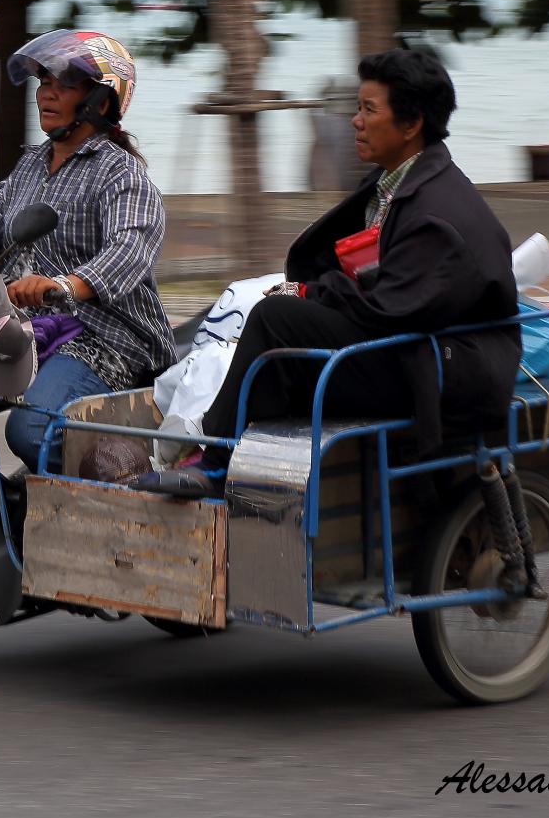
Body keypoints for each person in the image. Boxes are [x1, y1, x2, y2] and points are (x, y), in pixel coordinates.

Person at [136, 49, 519, 497]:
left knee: (276, 318)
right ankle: (238, 452)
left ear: (412, 124)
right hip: (409, 346)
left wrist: (307, 293)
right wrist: (311, 291)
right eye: (358, 107)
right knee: (273, 324)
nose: (355, 121)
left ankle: (216, 465)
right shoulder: (396, 182)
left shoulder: (436, 213)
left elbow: (390, 309)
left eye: (369, 110)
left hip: (442, 371)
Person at [0, 29, 176, 464]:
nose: (47, 93)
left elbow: (130, 249)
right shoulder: (29, 168)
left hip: (107, 341)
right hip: (26, 332)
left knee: (33, 431)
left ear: (99, 102)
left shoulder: (121, 174)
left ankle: (77, 497)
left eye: (64, 84)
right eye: (43, 82)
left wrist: (65, 284)